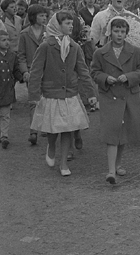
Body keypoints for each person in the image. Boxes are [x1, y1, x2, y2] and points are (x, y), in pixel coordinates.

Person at [28, 12, 97, 176]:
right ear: (57, 25)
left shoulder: (74, 46)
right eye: (67, 23)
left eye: (71, 24)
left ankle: (64, 163)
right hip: (52, 94)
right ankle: (51, 146)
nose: (70, 26)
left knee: (68, 129)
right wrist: (34, 96)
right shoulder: (46, 46)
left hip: (70, 94)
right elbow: (36, 72)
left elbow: (83, 71)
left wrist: (91, 93)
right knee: (53, 129)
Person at [91, 17, 140, 184]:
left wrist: (129, 76)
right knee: (112, 132)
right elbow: (94, 72)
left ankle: (117, 164)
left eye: (122, 32)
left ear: (127, 33)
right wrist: (104, 77)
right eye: (116, 31)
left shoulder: (136, 52)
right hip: (109, 96)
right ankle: (111, 171)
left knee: (122, 131)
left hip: (128, 96)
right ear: (110, 32)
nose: (119, 35)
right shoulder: (100, 53)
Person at [18, 5, 48, 145]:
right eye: (41, 15)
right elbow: (21, 55)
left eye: (45, 15)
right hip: (31, 71)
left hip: (47, 70)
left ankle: (45, 127)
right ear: (33, 17)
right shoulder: (24, 34)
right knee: (33, 101)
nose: (44, 18)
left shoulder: (48, 32)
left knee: (46, 99)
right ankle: (33, 131)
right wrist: (25, 71)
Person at [0, 30, 27, 148]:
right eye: (3, 40)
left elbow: (16, 69)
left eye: (8, 40)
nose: (7, 43)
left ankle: (4, 136)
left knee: (5, 115)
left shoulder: (12, 55)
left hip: (7, 89)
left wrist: (21, 77)